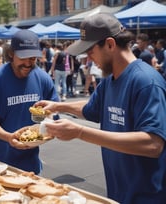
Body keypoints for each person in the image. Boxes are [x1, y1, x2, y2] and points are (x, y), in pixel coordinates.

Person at [34, 13, 166, 203]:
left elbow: (153, 144)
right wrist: (57, 106)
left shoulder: (146, 81)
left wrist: (79, 132)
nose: (88, 58)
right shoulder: (110, 80)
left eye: (90, 51)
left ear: (110, 44)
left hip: (147, 195)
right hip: (118, 191)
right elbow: (92, 108)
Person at [0, 29, 59, 174]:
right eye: (23, 58)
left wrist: (48, 122)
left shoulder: (43, 78)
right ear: (11, 54)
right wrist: (9, 137)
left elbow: (52, 110)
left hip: (29, 162)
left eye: (33, 58)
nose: (28, 63)